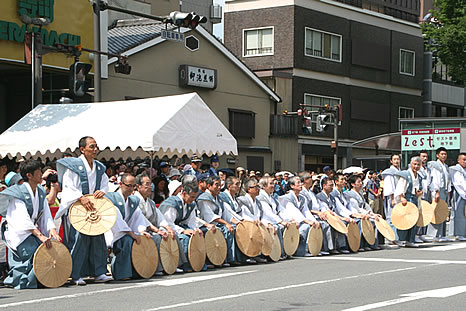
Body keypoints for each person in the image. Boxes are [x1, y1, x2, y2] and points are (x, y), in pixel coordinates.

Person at [55, 136, 112, 285]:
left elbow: (105, 183)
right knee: (79, 239)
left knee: (98, 238)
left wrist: (102, 191)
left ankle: (99, 271)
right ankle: (75, 274)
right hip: (78, 207)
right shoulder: (74, 166)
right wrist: (80, 197)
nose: (95, 150)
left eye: (96, 147)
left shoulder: (99, 167)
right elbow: (68, 187)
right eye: (92, 147)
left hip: (94, 206)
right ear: (82, 149)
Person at [0, 159, 60, 289]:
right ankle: (21, 280)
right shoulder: (18, 193)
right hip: (20, 234)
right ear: (29, 175)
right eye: (38, 171)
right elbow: (23, 220)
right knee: (35, 252)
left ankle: (42, 279)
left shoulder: (39, 191)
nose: (41, 174)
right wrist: (40, 236)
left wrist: (52, 229)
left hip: (32, 233)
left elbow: (46, 213)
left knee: (50, 250)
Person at [158, 176, 215, 272]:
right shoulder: (172, 203)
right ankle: (184, 264)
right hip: (167, 227)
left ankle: (199, 262)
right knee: (185, 238)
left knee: (201, 233)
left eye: (195, 197)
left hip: (180, 226)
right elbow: (168, 223)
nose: (193, 200)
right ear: (184, 193)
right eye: (192, 197)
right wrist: (183, 230)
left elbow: (191, 221)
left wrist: (195, 229)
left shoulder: (191, 204)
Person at [134, 173, 186, 274]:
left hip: (152, 228)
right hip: (140, 228)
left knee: (171, 233)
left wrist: (168, 228)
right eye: (147, 184)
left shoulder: (150, 202)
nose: (150, 187)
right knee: (157, 237)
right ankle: (158, 267)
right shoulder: (134, 201)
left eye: (150, 184)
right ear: (138, 186)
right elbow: (141, 218)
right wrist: (156, 230)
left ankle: (174, 264)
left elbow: (159, 217)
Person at [104, 174, 151, 280]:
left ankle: (136, 271)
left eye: (133, 186)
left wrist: (141, 231)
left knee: (143, 238)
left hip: (125, 231)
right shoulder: (112, 198)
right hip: (112, 232)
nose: (131, 189)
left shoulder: (132, 200)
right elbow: (117, 220)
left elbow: (137, 217)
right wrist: (131, 233)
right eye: (128, 186)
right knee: (127, 240)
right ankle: (121, 273)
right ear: (121, 184)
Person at [197, 176, 237, 266]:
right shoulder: (204, 198)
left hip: (218, 224)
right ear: (209, 186)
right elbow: (209, 216)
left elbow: (226, 214)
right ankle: (216, 259)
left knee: (234, 228)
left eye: (220, 185)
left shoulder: (218, 198)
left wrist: (236, 222)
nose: (219, 187)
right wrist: (226, 223)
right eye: (216, 185)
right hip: (206, 224)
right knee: (224, 230)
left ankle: (230, 258)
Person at [278, 176, 320, 257]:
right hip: (290, 220)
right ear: (292, 186)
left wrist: (313, 220)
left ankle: (308, 249)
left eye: (301, 182)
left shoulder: (302, 198)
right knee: (305, 226)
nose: (301, 184)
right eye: (298, 183)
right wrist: (306, 221)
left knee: (313, 225)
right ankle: (299, 251)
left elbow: (306, 211)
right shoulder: (286, 197)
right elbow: (293, 211)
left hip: (298, 220)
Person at [301, 173, 339, 255]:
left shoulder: (311, 192)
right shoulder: (302, 193)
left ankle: (329, 247)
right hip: (310, 215)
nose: (312, 180)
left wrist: (326, 211)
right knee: (324, 224)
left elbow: (320, 205)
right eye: (310, 178)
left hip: (318, 213)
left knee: (331, 221)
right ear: (305, 181)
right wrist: (318, 213)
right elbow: (306, 209)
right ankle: (318, 248)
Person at [345, 175, 382, 250]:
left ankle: (372, 243)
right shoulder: (349, 194)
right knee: (366, 222)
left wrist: (372, 214)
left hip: (363, 213)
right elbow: (356, 209)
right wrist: (367, 215)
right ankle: (362, 244)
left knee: (376, 220)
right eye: (358, 182)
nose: (361, 183)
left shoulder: (360, 194)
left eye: (361, 181)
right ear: (353, 184)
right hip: (356, 214)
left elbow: (366, 206)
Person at [394, 157, 424, 247]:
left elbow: (420, 187)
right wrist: (402, 197)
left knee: (413, 220)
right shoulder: (406, 174)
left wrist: (420, 193)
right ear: (410, 164)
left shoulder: (420, 176)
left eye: (418, 164)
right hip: (406, 199)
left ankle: (411, 240)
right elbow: (400, 187)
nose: (416, 166)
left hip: (415, 199)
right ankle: (401, 239)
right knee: (404, 219)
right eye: (414, 164)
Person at [257, 176, 290, 260]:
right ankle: (277, 253)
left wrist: (288, 219)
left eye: (273, 183)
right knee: (278, 227)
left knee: (288, 226)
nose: (273, 185)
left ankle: (286, 251)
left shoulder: (271, 197)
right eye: (271, 183)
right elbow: (268, 213)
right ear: (264, 186)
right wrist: (280, 221)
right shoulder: (261, 197)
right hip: (265, 220)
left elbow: (280, 210)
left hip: (273, 219)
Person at [315, 177, 350, 254]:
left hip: (333, 216)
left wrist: (345, 217)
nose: (332, 187)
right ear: (324, 186)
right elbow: (324, 209)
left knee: (342, 222)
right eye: (330, 185)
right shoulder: (319, 196)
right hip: (324, 216)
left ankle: (341, 246)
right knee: (329, 225)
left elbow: (340, 209)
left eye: (332, 185)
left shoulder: (332, 197)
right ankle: (329, 247)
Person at [427, 147, 451, 241]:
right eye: (442, 154)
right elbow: (435, 179)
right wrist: (436, 191)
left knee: (443, 211)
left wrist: (448, 190)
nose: (444, 156)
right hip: (438, 190)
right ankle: (434, 235)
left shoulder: (445, 166)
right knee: (436, 211)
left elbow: (448, 179)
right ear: (437, 155)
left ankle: (442, 234)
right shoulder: (435, 165)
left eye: (445, 154)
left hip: (444, 190)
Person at [381, 154, 401, 237]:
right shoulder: (389, 172)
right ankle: (391, 237)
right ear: (391, 161)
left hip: (399, 197)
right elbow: (389, 186)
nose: (396, 161)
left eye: (398, 159)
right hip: (392, 198)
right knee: (391, 217)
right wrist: (392, 198)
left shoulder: (399, 171)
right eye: (394, 159)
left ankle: (397, 236)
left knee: (398, 217)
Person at [449, 153, 466, 241]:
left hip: (464, 194)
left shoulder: (464, 170)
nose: (465, 162)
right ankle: (459, 233)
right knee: (459, 214)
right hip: (460, 193)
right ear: (458, 160)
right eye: (463, 160)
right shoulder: (455, 169)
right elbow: (459, 183)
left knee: (463, 214)